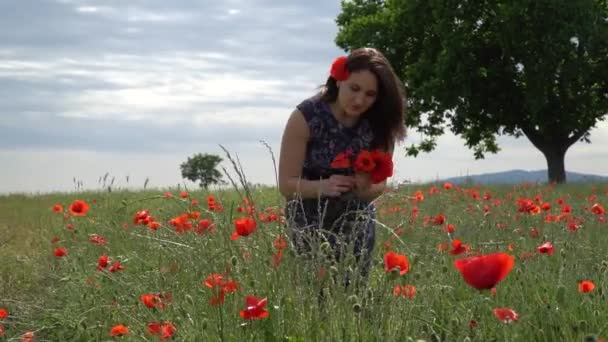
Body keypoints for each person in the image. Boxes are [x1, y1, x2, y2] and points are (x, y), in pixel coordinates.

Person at [278, 47, 407, 288]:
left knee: (352, 292)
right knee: (312, 294)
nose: (360, 100)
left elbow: (378, 186)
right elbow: (286, 184)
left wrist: (361, 187)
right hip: (308, 217)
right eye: (354, 89)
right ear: (339, 80)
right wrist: (324, 186)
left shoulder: (380, 124)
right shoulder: (306, 117)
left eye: (370, 94)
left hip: (355, 221)